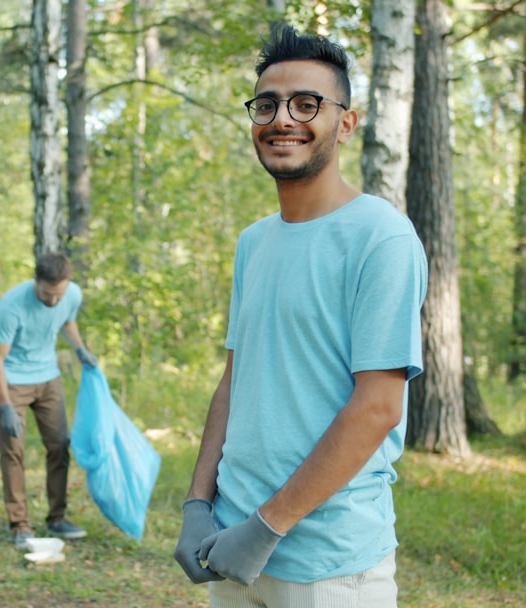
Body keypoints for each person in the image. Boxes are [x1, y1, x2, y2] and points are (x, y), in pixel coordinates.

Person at [173, 23, 427, 608]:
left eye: (306, 103)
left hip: (329, 567)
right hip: (230, 546)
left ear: (346, 122)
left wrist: (267, 528)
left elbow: (378, 407)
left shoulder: (381, 237)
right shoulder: (254, 242)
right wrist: (197, 503)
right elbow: (235, 380)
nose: (282, 118)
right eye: (267, 104)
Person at [0, 252, 98, 547]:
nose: (53, 301)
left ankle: (57, 518)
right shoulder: (12, 305)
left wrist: (79, 349)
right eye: (47, 294)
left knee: (60, 446)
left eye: (58, 294)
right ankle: (20, 525)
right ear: (35, 282)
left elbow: (68, 321)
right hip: (13, 381)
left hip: (48, 378)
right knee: (13, 452)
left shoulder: (71, 294)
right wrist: (5, 407)